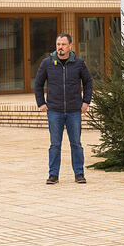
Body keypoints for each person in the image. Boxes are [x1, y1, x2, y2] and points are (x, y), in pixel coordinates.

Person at [34, 33, 93, 185]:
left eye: (63, 44)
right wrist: (41, 103)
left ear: (70, 46)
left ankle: (79, 174)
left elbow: (88, 83)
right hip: (54, 110)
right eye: (58, 44)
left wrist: (86, 102)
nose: (60, 47)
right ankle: (53, 175)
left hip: (74, 110)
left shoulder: (79, 63)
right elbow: (38, 84)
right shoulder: (47, 63)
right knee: (55, 145)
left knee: (76, 144)